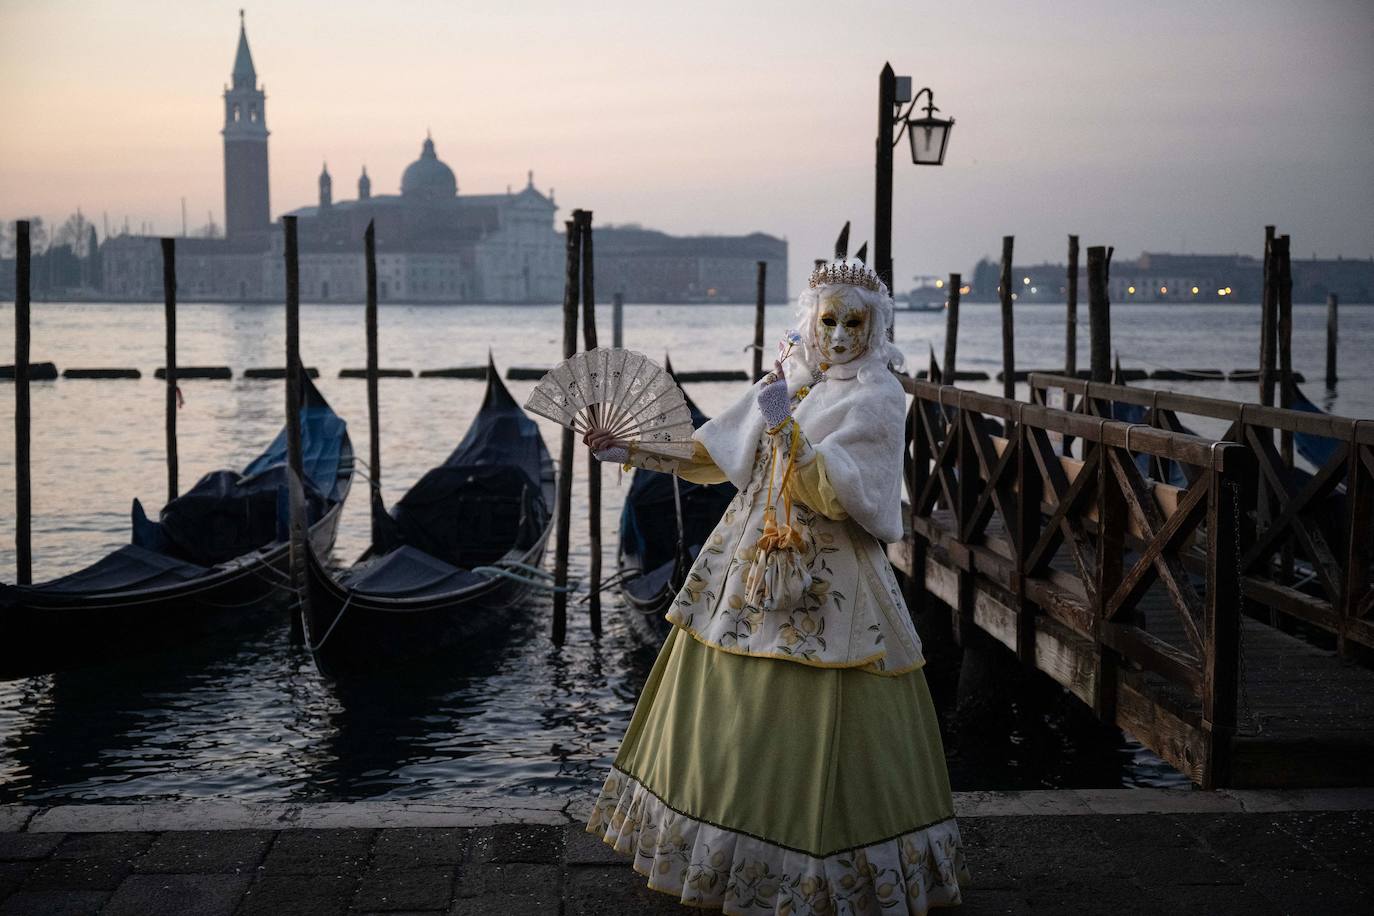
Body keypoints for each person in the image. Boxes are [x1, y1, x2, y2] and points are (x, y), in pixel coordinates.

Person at [583, 243, 969, 915]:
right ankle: (726, 862)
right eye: (830, 323)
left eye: (855, 324)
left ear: (875, 328)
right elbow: (718, 449)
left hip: (834, 588)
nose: (842, 337)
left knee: (823, 733)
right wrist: (633, 450)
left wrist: (787, 430)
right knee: (731, 724)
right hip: (747, 571)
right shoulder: (792, 376)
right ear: (811, 323)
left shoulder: (878, 398)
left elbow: (843, 495)